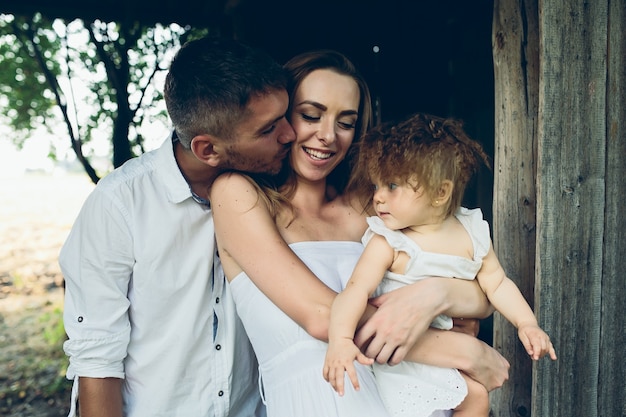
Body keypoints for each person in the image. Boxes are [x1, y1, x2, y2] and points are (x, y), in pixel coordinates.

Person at [209, 51, 510, 417]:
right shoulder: (238, 195)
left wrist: (436, 293)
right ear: (282, 117)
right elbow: (322, 316)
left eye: (346, 123)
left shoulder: (375, 207)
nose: (327, 136)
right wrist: (464, 352)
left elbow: (479, 290)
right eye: (310, 115)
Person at [60, 36, 296, 417]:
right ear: (207, 149)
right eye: (268, 130)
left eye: (287, 116)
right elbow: (97, 360)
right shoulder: (120, 204)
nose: (290, 134)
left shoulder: (281, 190)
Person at [323, 112, 557, 417]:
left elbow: (497, 283)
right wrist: (339, 340)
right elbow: (354, 291)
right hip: (396, 357)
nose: (378, 197)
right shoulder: (389, 242)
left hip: (441, 355)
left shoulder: (471, 232)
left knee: (477, 399)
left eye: (392, 186)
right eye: (377, 185)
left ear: (441, 192)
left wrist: (527, 323)